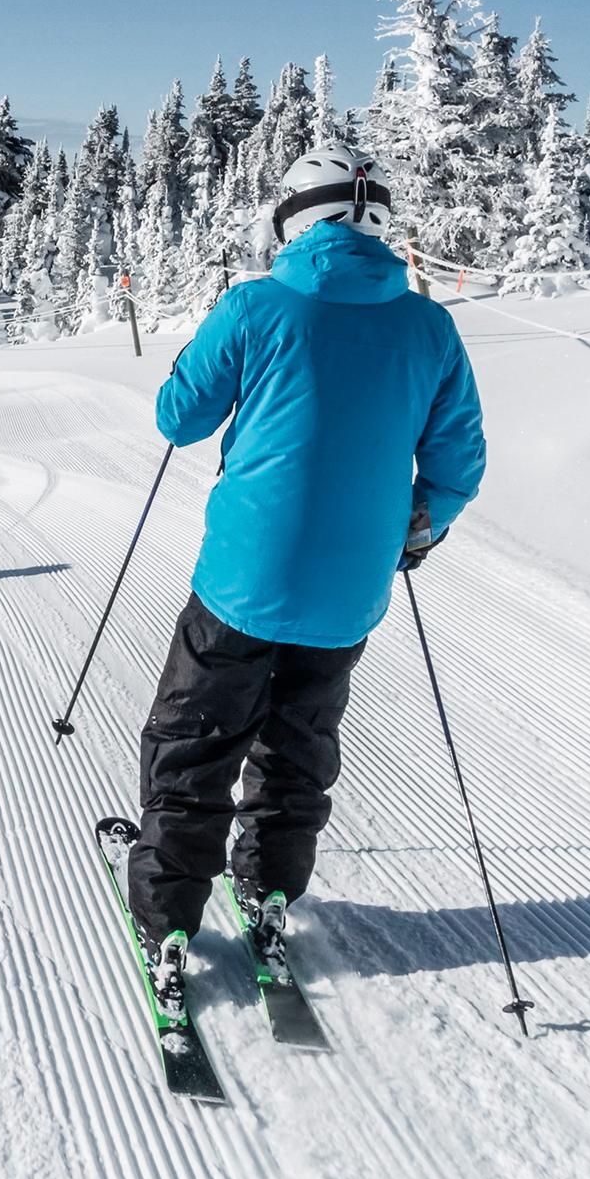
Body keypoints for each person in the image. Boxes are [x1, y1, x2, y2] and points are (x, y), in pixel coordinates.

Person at [130, 142, 486, 1019]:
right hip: (350, 591)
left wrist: (199, 355)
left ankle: (170, 920)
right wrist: (419, 525)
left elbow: (180, 417)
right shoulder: (430, 327)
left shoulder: (256, 304)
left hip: (245, 580)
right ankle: (270, 891)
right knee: (298, 747)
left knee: (196, 741)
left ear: (294, 218)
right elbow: (458, 463)